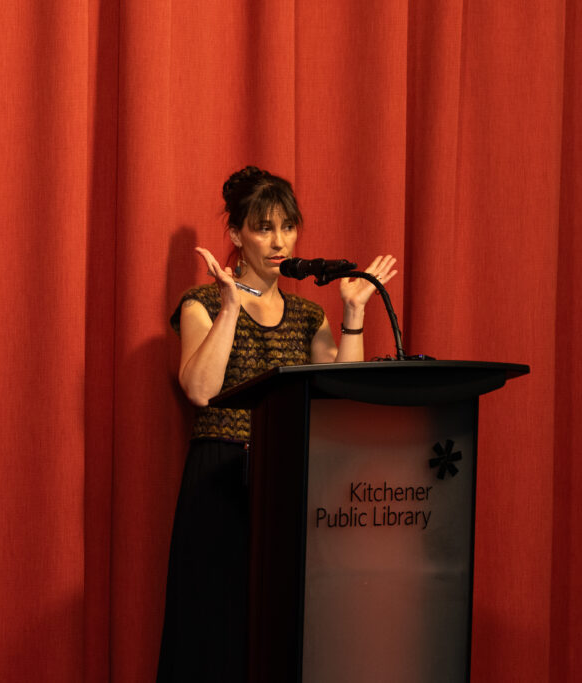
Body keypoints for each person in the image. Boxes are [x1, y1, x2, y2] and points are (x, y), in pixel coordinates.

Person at [156, 166, 398, 683]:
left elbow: (340, 393)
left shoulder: (309, 314)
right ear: (236, 233)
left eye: (288, 227)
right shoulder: (200, 304)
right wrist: (228, 309)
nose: (279, 240)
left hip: (287, 477)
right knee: (214, 621)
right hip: (220, 473)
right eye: (264, 227)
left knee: (279, 624)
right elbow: (200, 389)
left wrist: (353, 313)